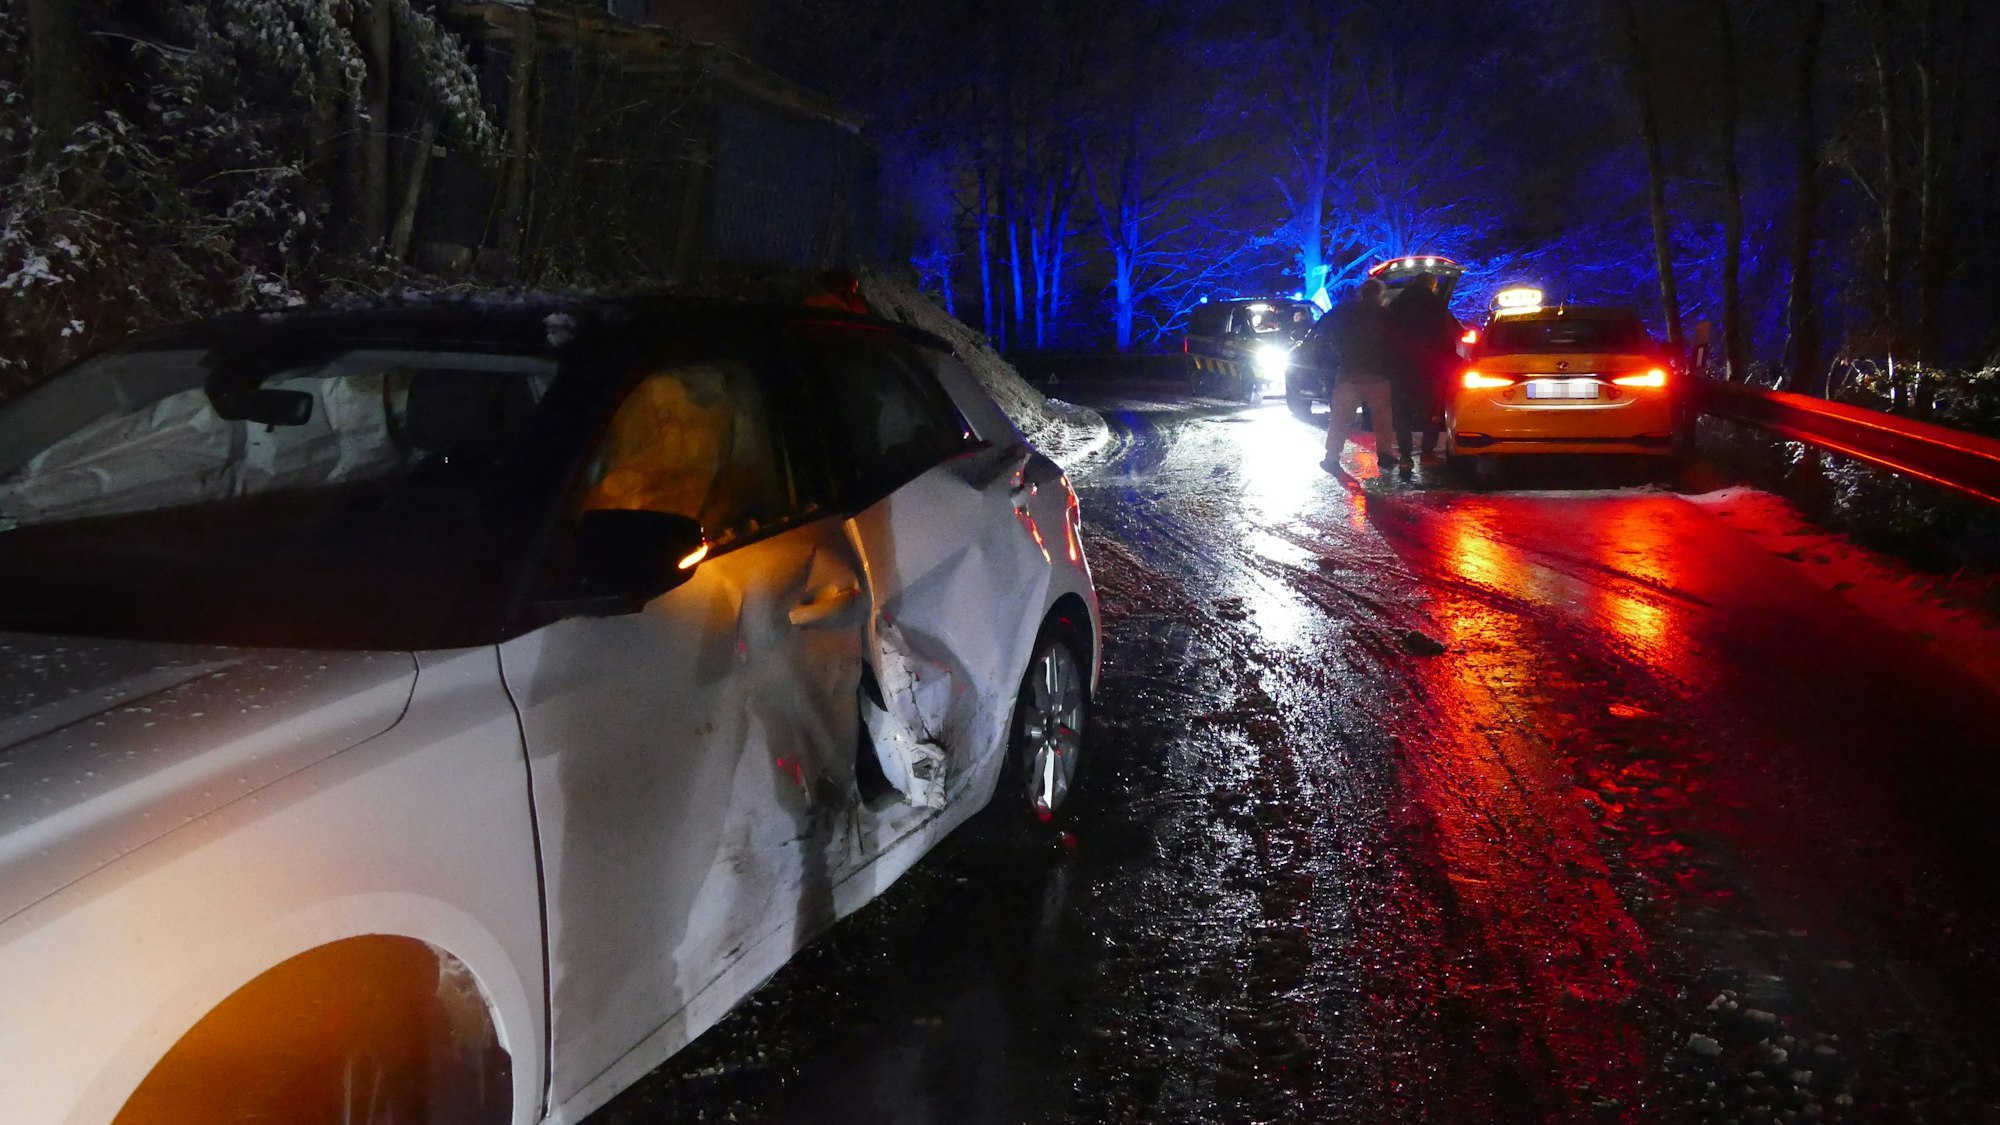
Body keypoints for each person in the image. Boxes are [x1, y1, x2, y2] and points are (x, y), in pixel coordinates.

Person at [1312, 278, 1397, 476]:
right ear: (1380, 294)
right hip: (1377, 373)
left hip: (1349, 372)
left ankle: (1331, 457)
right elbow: (1394, 344)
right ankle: (1384, 454)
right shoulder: (1386, 316)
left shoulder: (1348, 313)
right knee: (1382, 417)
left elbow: (1330, 335)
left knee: (1340, 418)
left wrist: (1340, 355)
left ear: (1361, 293)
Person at [1383, 272, 1463, 475]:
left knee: (1402, 413)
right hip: (1430, 369)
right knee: (1432, 411)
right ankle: (1427, 453)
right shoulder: (1437, 307)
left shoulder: (1396, 306)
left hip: (1400, 368)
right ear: (1433, 286)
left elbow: (1384, 336)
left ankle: (1405, 456)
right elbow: (1451, 335)